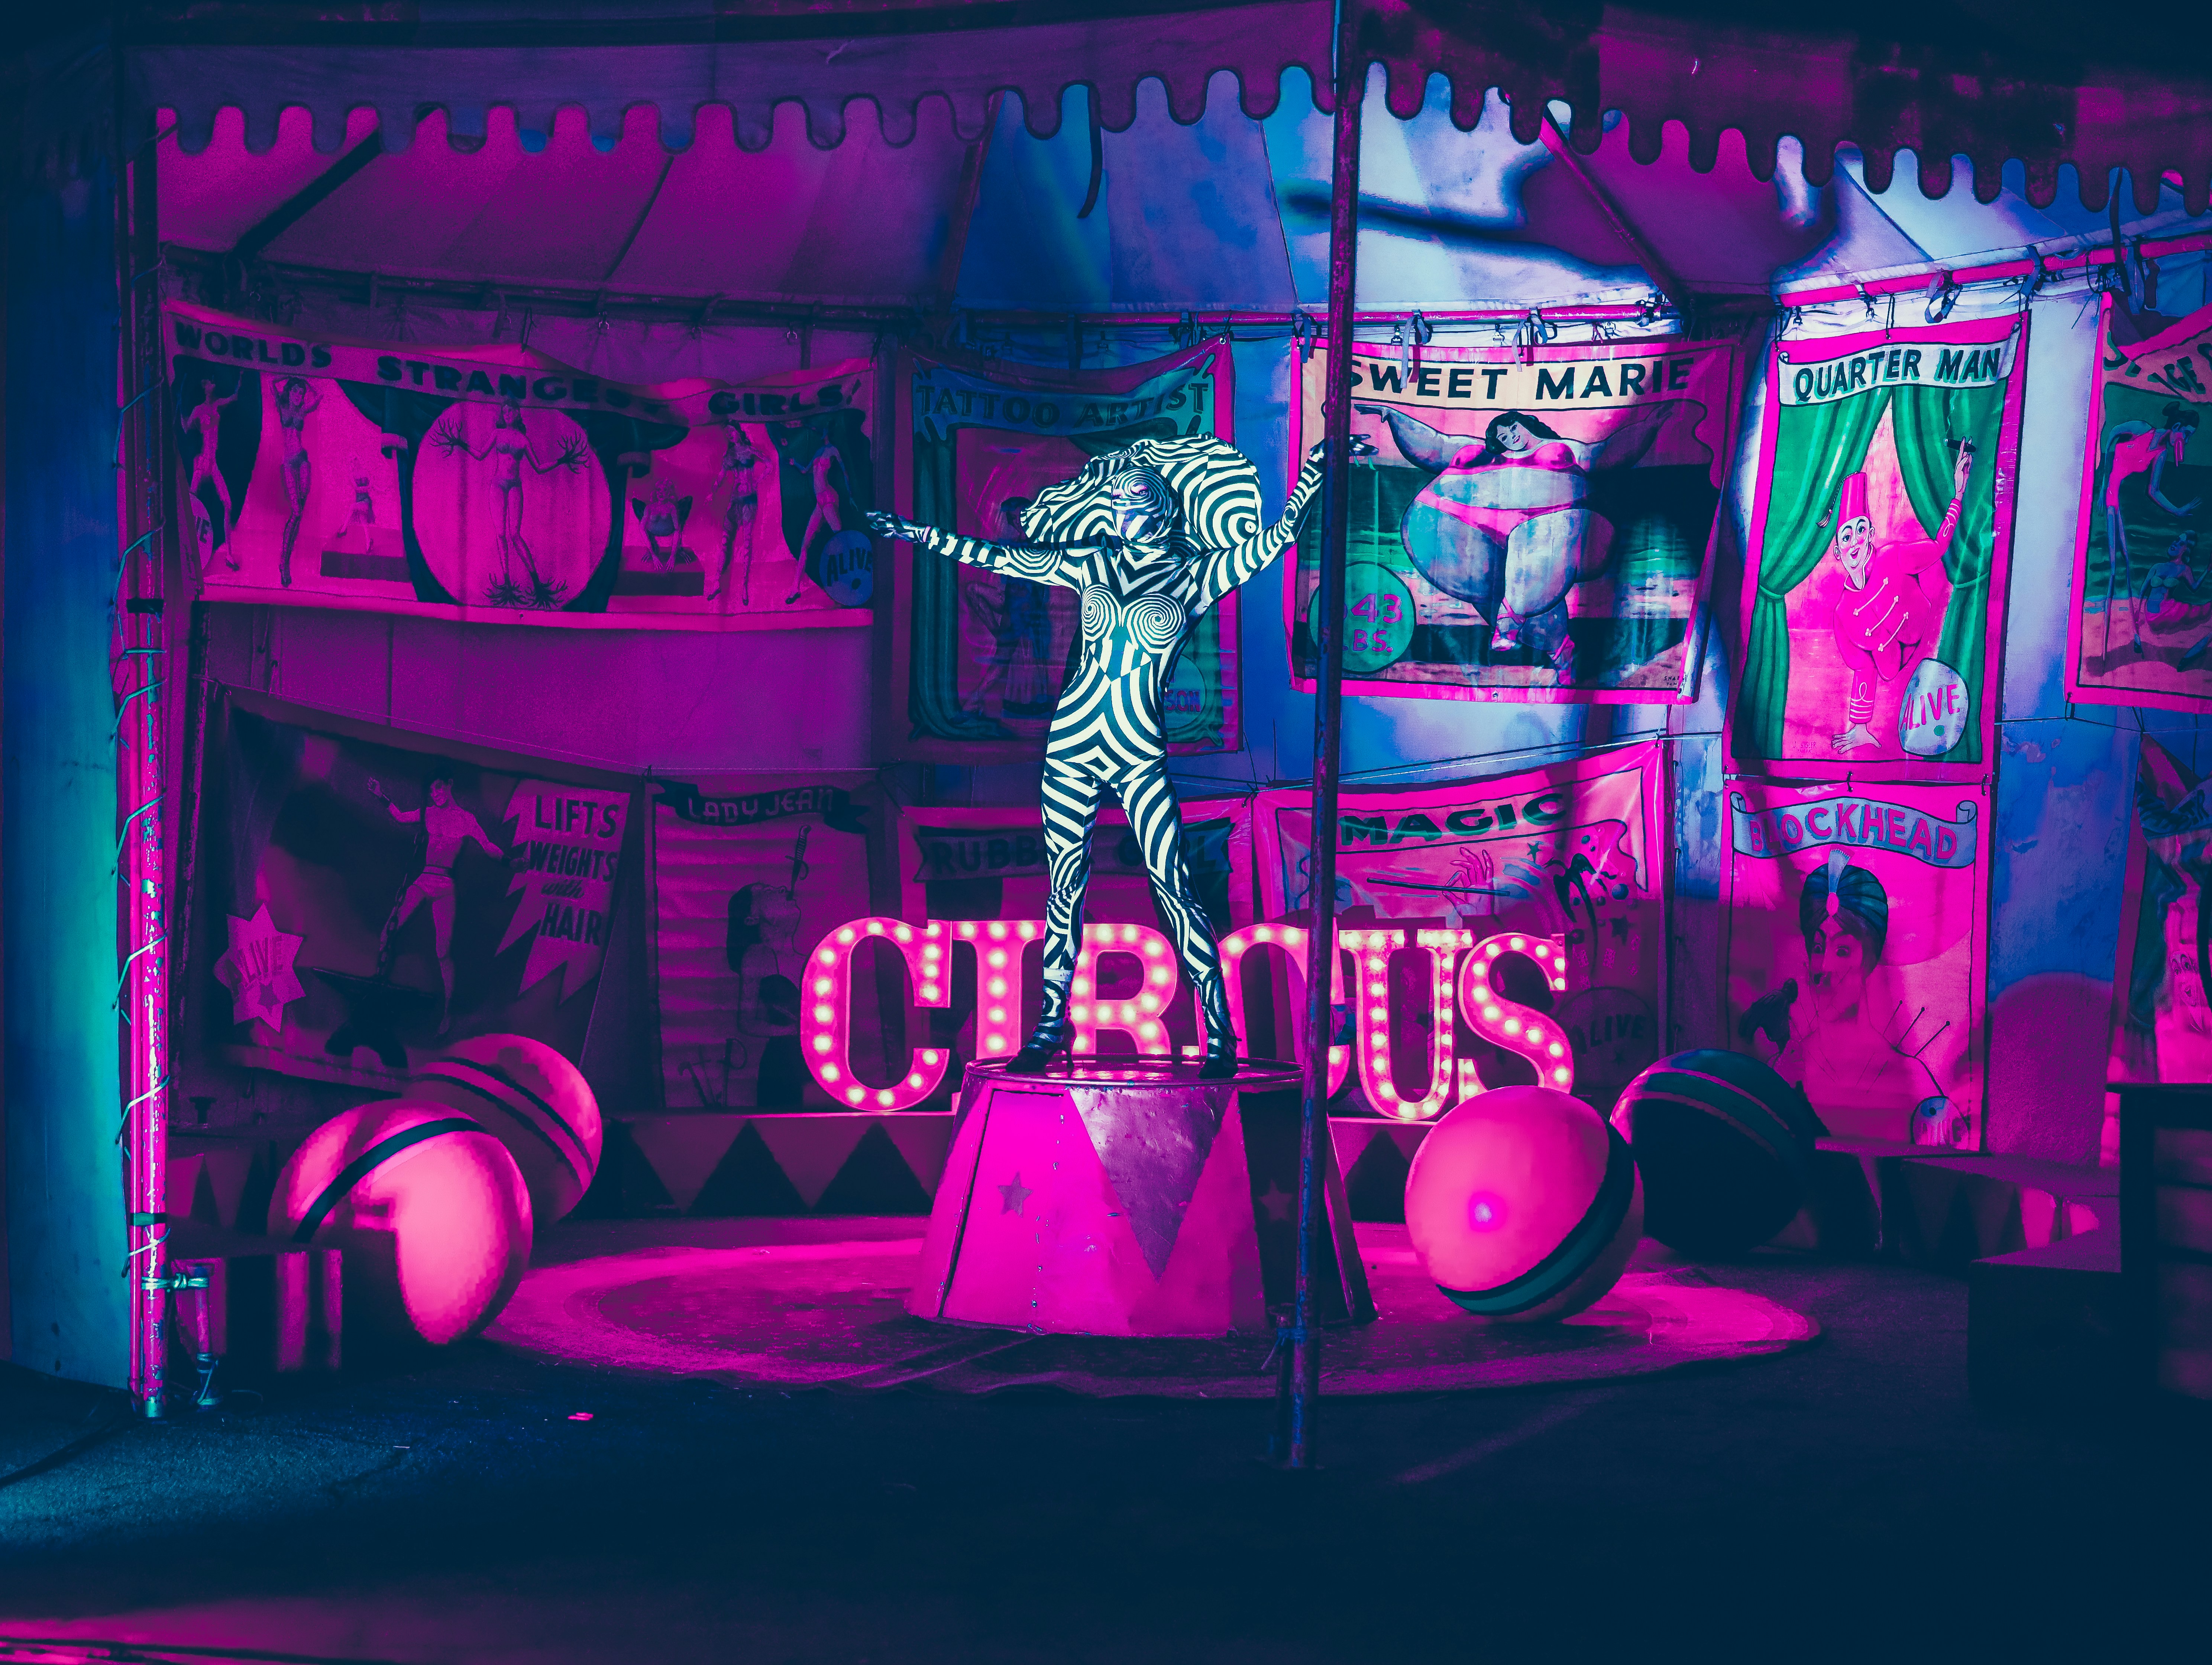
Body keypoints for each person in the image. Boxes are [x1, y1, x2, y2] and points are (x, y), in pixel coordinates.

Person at [870, 436, 1323, 1076]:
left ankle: (1219, 1032)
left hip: (1136, 748)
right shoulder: (1092, 563)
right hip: (1073, 743)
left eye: (1133, 497)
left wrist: (1310, 474)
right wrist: (915, 533)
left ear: (1165, 507)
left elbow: (1274, 542)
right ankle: (1051, 1025)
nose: (1121, 508)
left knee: (1174, 885)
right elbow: (999, 557)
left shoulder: (1195, 573)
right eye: (1116, 499)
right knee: (1064, 888)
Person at [1359, 405, 1661, 685]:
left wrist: (1650, 425)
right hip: (1471, 524)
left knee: (1534, 573)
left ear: (1528, 424)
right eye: (1502, 435)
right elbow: (1433, 444)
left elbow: (1607, 453)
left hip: (1552, 518)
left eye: (1513, 428)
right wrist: (1392, 416)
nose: (1510, 437)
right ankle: (1559, 651)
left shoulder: (1562, 450)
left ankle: (1514, 623)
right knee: (1494, 590)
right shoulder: (1476, 452)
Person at [1825, 442, 1974, 753]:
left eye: (1860, 530)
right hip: (1903, 687)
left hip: (1936, 655)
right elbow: (1864, 668)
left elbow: (1938, 548)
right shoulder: (1843, 613)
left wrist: (1958, 496)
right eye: (1847, 536)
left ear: (1872, 534)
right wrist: (1860, 728)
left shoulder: (1894, 558)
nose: (1855, 542)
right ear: (1838, 551)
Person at [1778, 853, 1930, 1111]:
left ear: (1869, 961)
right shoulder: (1784, 1070)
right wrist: (1777, 1087)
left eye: (1842, 951)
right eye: (1817, 947)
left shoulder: (1914, 1080)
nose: (1824, 967)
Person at [372, 773, 506, 1034]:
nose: (436, 794)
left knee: (443, 951)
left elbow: (488, 845)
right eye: (432, 791)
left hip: (445, 886)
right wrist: (381, 795)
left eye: (439, 788)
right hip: (425, 879)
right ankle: (377, 988)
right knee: (389, 930)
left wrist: (509, 862)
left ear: (449, 785)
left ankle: (447, 1012)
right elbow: (400, 817)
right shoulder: (429, 814)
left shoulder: (467, 820)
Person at [431, 397, 588, 607]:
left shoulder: (523, 439)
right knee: (501, 533)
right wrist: (461, 443)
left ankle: (536, 584)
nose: (508, 414)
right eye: (505, 411)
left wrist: (562, 460)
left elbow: (539, 467)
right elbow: (480, 455)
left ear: (517, 414)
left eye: (512, 411)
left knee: (515, 534)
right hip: (498, 486)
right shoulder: (498, 434)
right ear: (502, 415)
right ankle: (507, 585)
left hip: (515, 486)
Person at [2102, 401, 2200, 650]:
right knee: (2114, 568)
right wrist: (2102, 483)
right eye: (2186, 435)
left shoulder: (2162, 454)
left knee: (2126, 563)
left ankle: (2134, 637)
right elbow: (2111, 436)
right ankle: (2106, 641)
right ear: (2177, 427)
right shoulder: (2141, 428)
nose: (2185, 442)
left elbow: (2153, 491)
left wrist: (2178, 511)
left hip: (2121, 500)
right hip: (2110, 495)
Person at [182, 378, 243, 572]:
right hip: (202, 463)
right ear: (204, 387)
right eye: (209, 382)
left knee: (228, 504)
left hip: (213, 463)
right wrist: (182, 415)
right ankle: (187, 552)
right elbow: (186, 428)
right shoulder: (198, 410)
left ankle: (229, 554)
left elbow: (234, 397)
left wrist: (241, 378)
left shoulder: (216, 405)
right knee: (190, 506)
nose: (213, 385)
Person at [272, 377, 323, 588]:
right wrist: (288, 375)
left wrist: (306, 383)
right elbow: (271, 385)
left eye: (301, 393)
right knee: (297, 512)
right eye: (295, 391)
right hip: (288, 463)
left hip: (302, 459)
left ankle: (286, 560)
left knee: (299, 511)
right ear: (289, 392)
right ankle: (284, 562)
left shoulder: (303, 411)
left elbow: (319, 396)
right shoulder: (282, 407)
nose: (298, 395)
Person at [792, 436, 847, 604]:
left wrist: (851, 495)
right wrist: (795, 464)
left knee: (840, 539)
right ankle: (795, 588)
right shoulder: (818, 452)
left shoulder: (833, 450)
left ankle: (847, 582)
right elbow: (806, 471)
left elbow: (845, 472)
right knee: (805, 544)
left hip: (829, 498)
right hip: (820, 502)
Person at [711, 419, 761, 601]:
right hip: (735, 500)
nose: (730, 436)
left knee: (747, 543)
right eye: (727, 434)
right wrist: (713, 492)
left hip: (749, 499)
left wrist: (759, 480)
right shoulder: (729, 455)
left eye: (732, 432)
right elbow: (721, 476)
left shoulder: (750, 450)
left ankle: (744, 588)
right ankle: (717, 582)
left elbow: (769, 463)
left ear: (738, 432)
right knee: (726, 540)